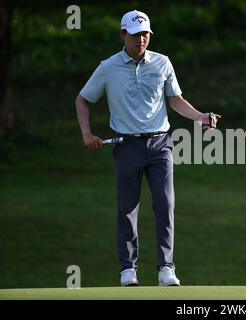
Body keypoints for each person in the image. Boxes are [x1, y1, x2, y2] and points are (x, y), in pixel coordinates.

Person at [75, 9, 220, 286]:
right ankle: (128, 268)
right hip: (126, 144)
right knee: (128, 208)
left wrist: (200, 116)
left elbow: (175, 100)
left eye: (145, 34)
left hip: (160, 144)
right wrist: (86, 132)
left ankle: (166, 268)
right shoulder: (108, 67)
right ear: (122, 35)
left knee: (165, 204)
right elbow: (82, 99)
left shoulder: (163, 63)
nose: (141, 39)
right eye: (135, 34)